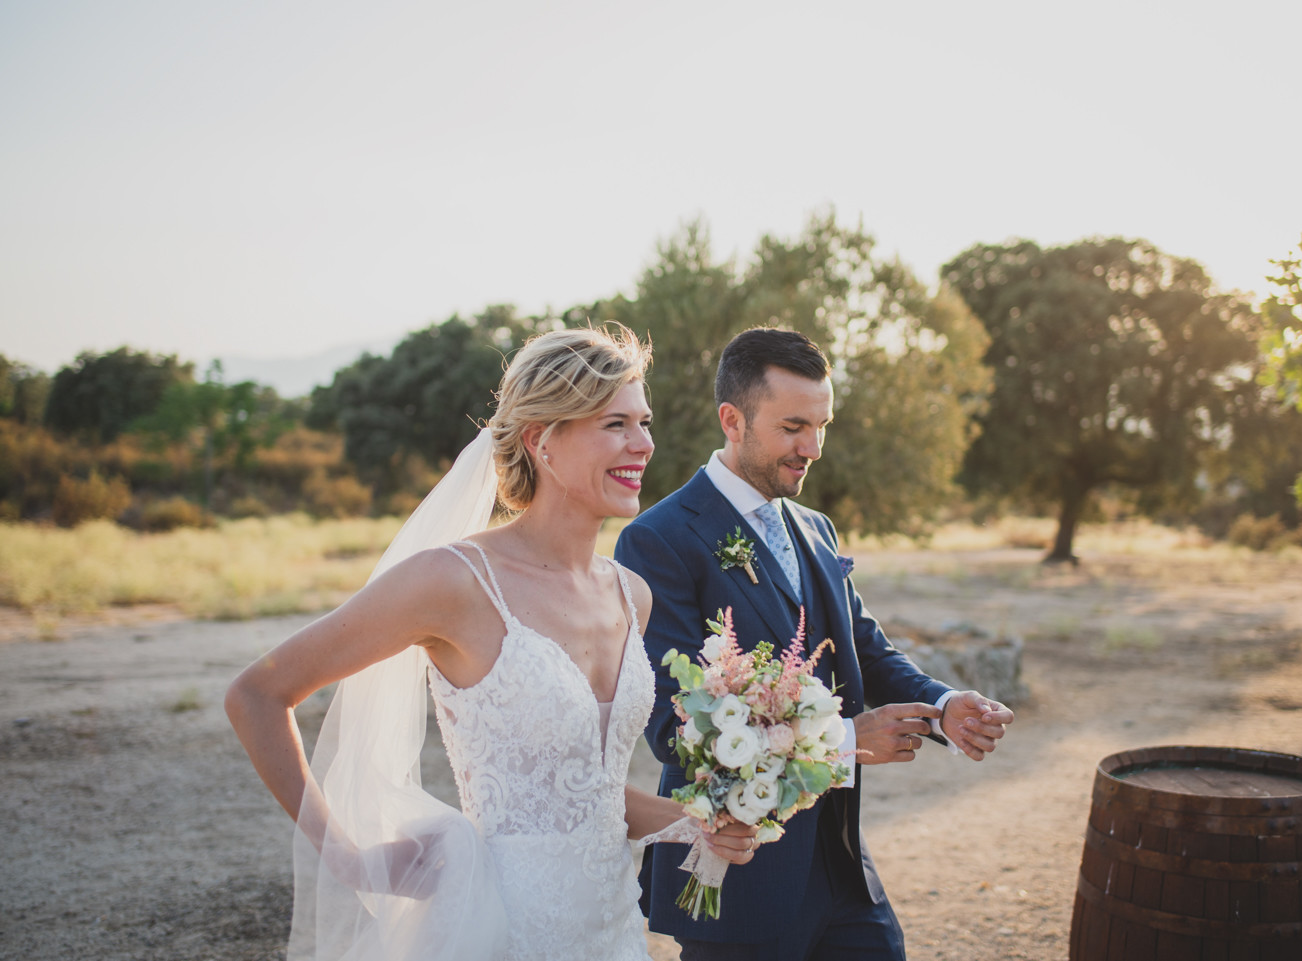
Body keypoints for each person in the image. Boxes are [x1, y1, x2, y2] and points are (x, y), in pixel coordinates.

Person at [226, 325, 757, 961]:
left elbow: (583, 794)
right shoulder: (453, 581)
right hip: (494, 929)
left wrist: (693, 822)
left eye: (644, 423)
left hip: (612, 929)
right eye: (615, 424)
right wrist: (347, 858)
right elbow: (257, 693)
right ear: (543, 441)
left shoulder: (630, 594)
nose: (643, 444)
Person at [615, 326, 1015, 960]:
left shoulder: (816, 527)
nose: (813, 447)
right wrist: (851, 741)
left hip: (842, 863)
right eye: (794, 426)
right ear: (733, 420)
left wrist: (943, 705)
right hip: (737, 869)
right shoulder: (656, 540)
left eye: (821, 425)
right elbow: (675, 727)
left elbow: (866, 649)